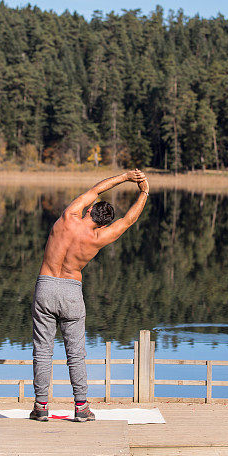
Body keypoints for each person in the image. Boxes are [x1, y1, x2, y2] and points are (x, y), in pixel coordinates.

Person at [30, 169, 149, 422]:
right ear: (103, 223)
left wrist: (126, 176)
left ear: (88, 211)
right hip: (72, 291)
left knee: (42, 351)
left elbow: (96, 190)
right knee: (76, 353)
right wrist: (144, 191)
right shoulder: (97, 238)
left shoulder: (68, 216)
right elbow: (128, 220)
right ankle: (81, 408)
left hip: (46, 287)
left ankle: (41, 407)